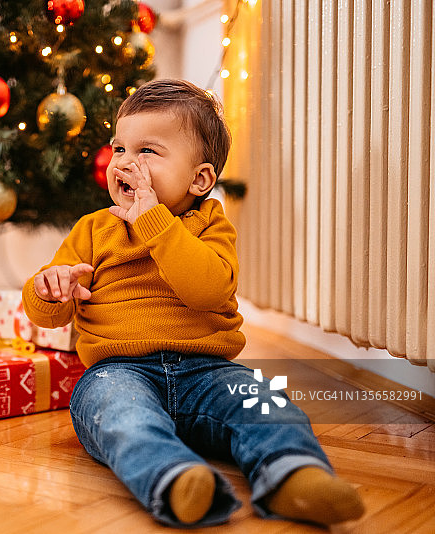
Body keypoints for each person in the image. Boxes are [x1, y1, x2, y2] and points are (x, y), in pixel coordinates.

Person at [21, 79, 365, 527]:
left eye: (147, 151)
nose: (124, 163)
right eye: (119, 148)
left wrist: (154, 222)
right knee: (117, 414)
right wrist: (47, 288)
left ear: (199, 179)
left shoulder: (209, 225)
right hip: (118, 372)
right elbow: (49, 316)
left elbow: (207, 290)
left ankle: (294, 475)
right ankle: (175, 478)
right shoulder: (92, 229)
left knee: (264, 402)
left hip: (208, 371)